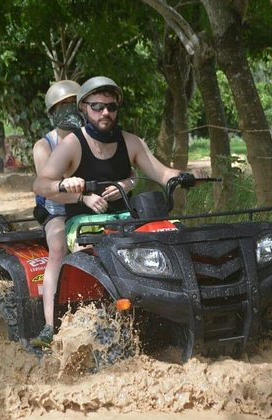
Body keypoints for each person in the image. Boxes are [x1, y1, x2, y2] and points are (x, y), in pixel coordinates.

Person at [31, 76, 184, 348]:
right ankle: (50, 322)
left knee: (167, 233)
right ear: (84, 108)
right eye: (97, 106)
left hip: (118, 213)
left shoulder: (129, 141)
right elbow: (44, 185)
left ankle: (171, 304)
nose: (105, 112)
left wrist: (186, 176)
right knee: (58, 248)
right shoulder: (57, 145)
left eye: (111, 107)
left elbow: (151, 173)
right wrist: (76, 191)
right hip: (64, 208)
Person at [31, 80, 86, 346]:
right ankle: (50, 325)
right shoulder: (44, 145)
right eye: (62, 107)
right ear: (53, 113)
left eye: (73, 104)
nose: (69, 111)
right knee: (57, 246)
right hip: (57, 208)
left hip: (91, 205)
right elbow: (50, 188)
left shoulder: (92, 137)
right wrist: (83, 195)